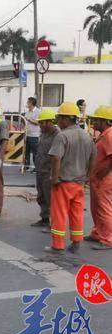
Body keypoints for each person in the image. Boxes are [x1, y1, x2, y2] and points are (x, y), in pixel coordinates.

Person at [47, 102, 96, 254]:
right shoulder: (86, 136)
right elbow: (94, 156)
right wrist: (88, 175)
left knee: (59, 214)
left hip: (63, 182)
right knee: (77, 213)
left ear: (67, 119)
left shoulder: (62, 136)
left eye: (59, 118)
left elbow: (56, 158)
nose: (58, 122)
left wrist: (55, 178)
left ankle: (57, 245)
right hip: (79, 183)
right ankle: (76, 243)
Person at [86, 106, 112, 250]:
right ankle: (97, 233)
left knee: (103, 208)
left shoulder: (110, 135)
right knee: (95, 207)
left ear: (105, 121)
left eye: (96, 120)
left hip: (104, 178)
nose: (94, 122)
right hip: (98, 177)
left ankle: (108, 238)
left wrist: (103, 173)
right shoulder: (104, 134)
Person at [31, 108, 59, 229]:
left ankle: (55, 223)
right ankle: (45, 218)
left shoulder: (58, 136)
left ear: (49, 122)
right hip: (40, 170)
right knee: (41, 196)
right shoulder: (43, 134)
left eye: (42, 123)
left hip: (49, 171)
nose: (40, 125)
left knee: (51, 198)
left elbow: (57, 157)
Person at [24, 97, 41, 171]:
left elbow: (38, 123)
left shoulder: (38, 112)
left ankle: (36, 167)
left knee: (35, 152)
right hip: (27, 134)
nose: (27, 104)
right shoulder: (27, 112)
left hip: (35, 135)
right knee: (26, 152)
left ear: (31, 103)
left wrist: (29, 120)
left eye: (28, 102)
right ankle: (26, 166)